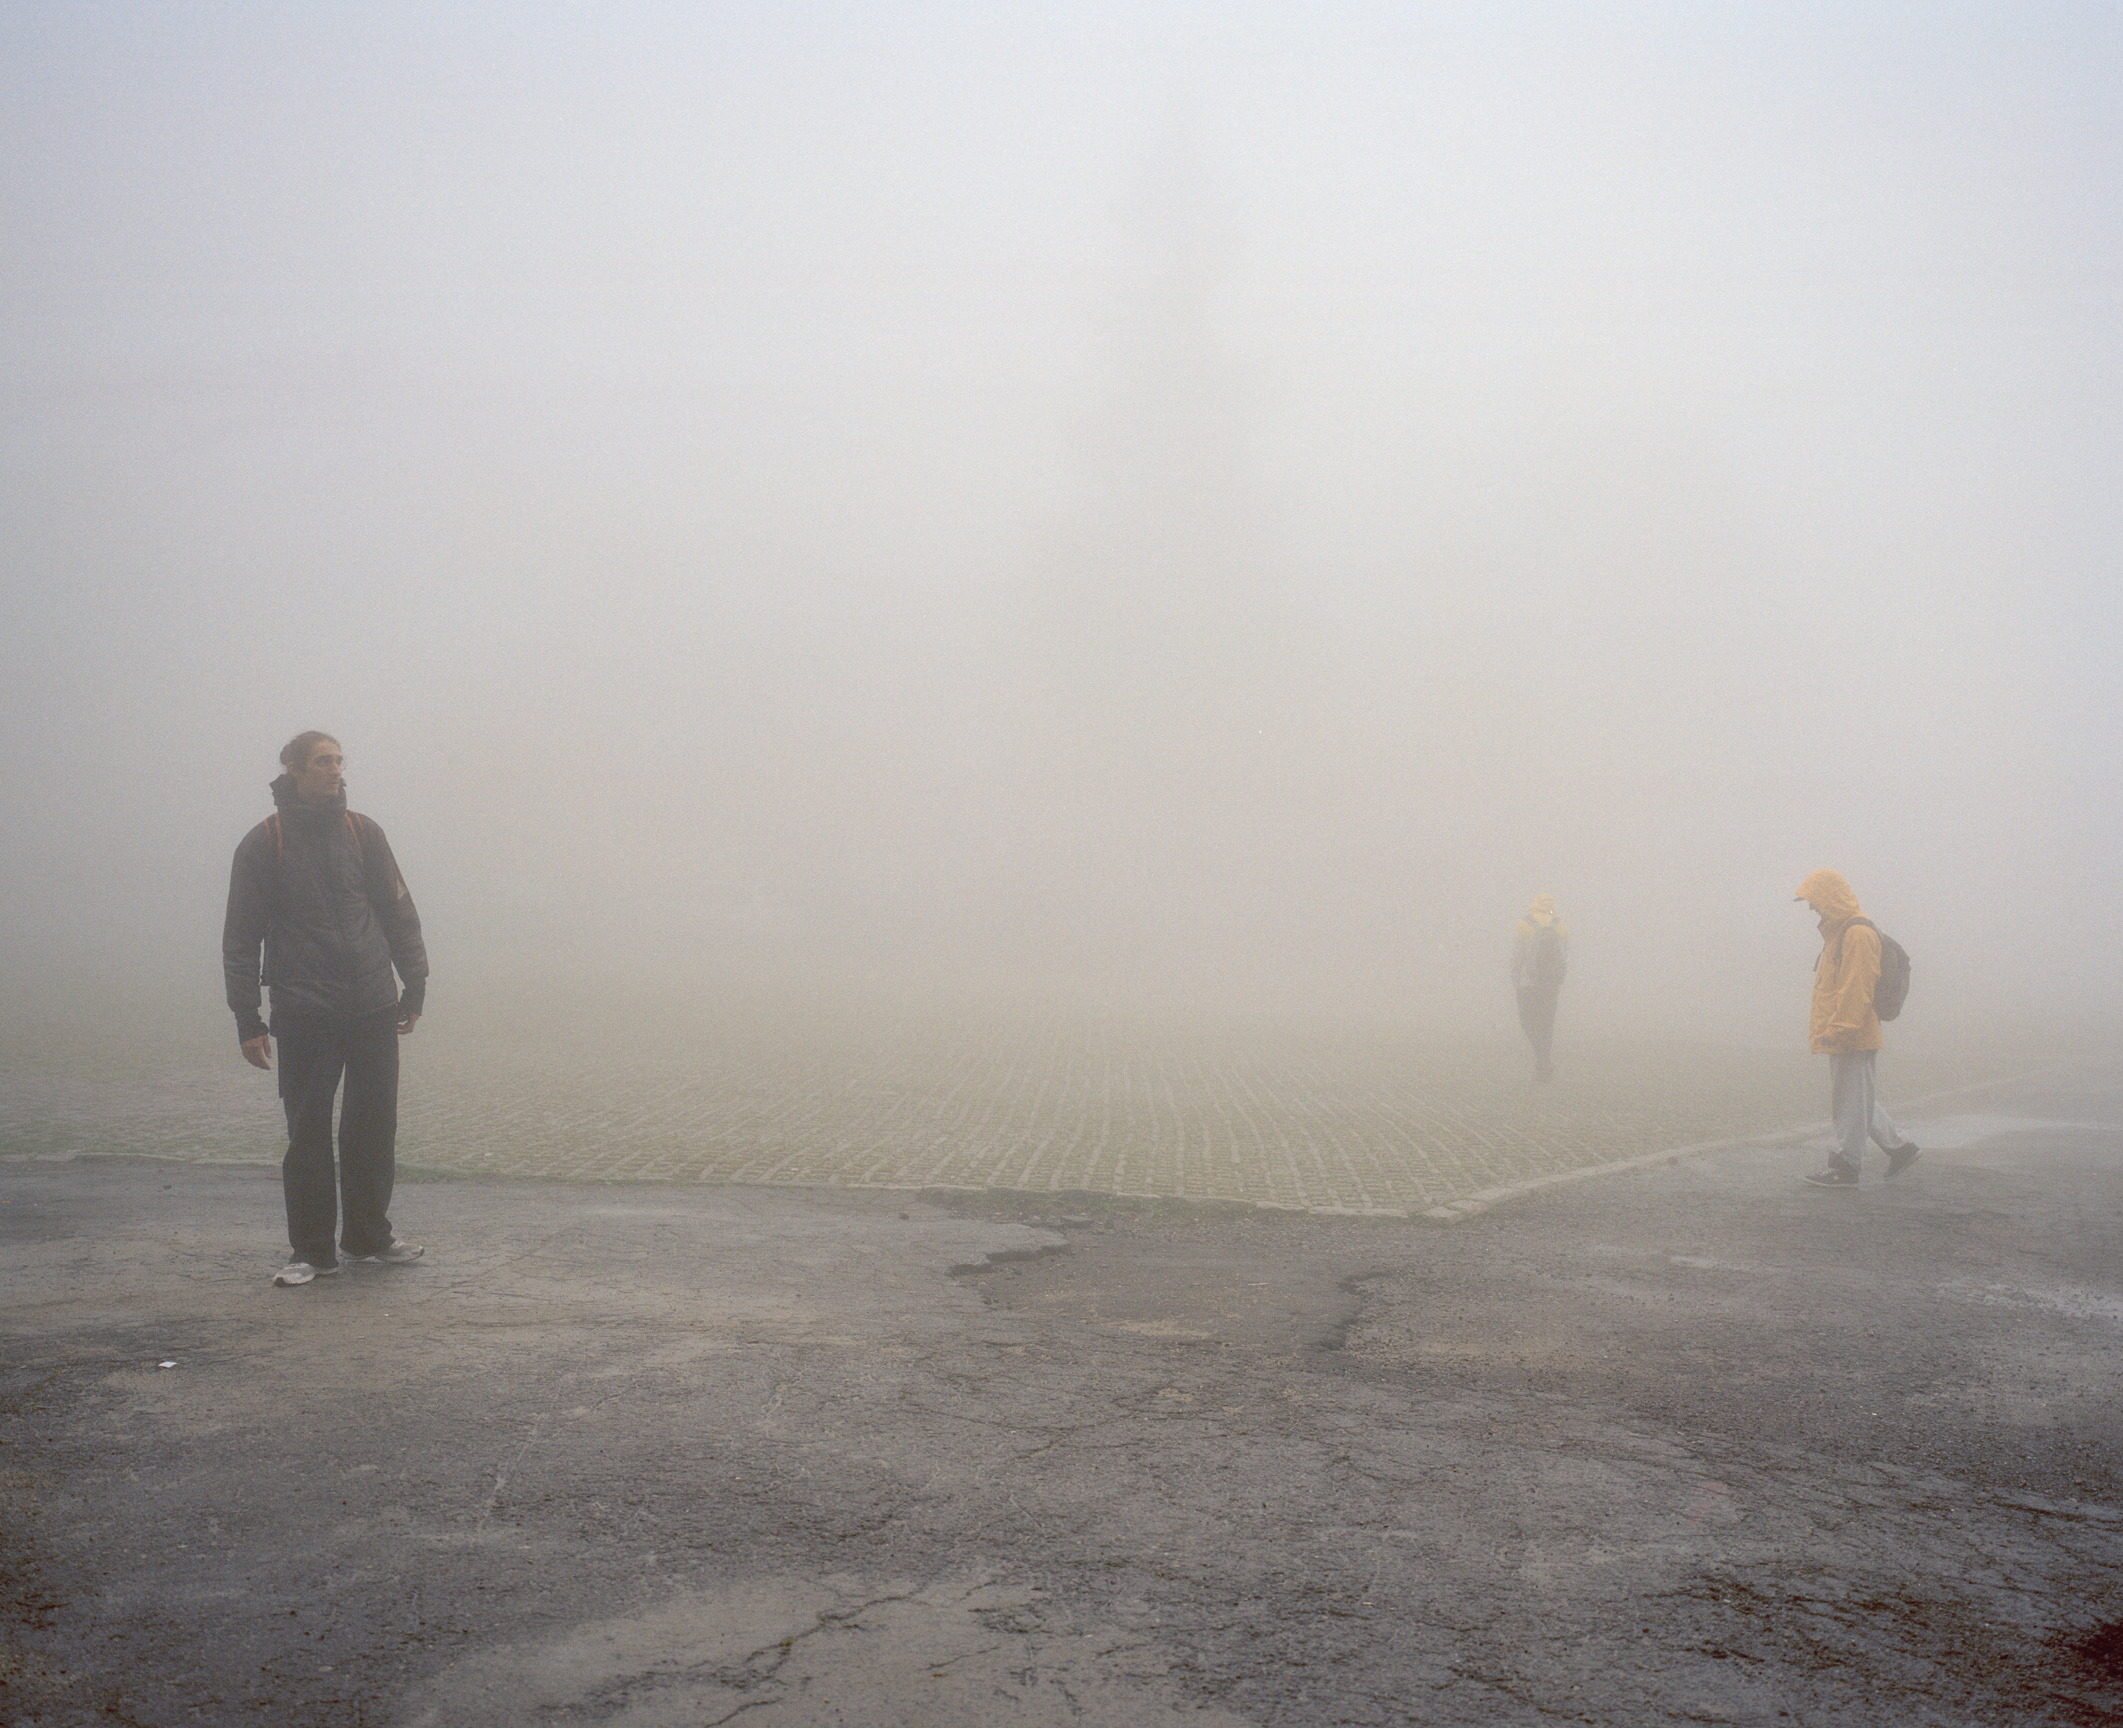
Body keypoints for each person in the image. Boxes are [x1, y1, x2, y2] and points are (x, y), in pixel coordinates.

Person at [223, 731, 430, 1285]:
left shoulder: (364, 832)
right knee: (309, 1131)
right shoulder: (265, 842)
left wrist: (415, 982)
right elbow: (241, 938)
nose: (334, 770)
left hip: (371, 1004)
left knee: (372, 1127)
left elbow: (398, 910)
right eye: (322, 762)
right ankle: (311, 1253)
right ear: (293, 769)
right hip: (304, 1009)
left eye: (339, 760)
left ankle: (368, 1237)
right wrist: (248, 1017)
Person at [1794, 868, 1918, 1189]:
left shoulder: (1857, 934)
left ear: (1830, 897)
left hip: (1852, 1033)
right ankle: (1900, 1148)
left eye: (1815, 900)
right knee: (1856, 1097)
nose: (1812, 908)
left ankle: (1847, 1166)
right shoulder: (1842, 933)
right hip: (1848, 1032)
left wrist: (1841, 1028)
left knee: (1849, 1099)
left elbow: (1856, 988)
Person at [1510, 893, 1568, 1081]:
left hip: (1528, 982)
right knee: (1547, 1023)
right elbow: (1564, 955)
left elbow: (1517, 954)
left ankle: (1542, 1059)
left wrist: (1515, 976)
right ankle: (1544, 1061)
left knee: (1528, 1022)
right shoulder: (1560, 925)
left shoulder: (1524, 924)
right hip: (1550, 982)